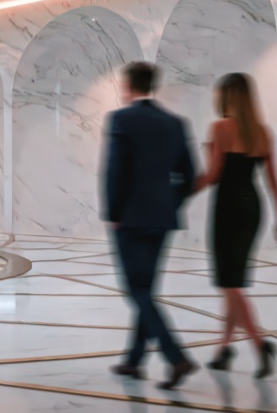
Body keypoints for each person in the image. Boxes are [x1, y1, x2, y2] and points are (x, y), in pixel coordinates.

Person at [102, 61, 198, 390]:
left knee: (137, 291)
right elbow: (189, 173)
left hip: (129, 218)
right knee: (146, 289)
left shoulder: (121, 118)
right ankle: (134, 360)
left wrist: (113, 213)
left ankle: (176, 357)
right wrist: (172, 203)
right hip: (161, 218)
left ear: (129, 86)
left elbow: (114, 171)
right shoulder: (174, 122)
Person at [194, 72, 277, 378]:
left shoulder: (220, 127)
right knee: (231, 283)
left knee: (232, 284)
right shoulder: (262, 132)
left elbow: (213, 175)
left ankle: (261, 345)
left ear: (227, 97)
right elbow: (273, 180)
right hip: (252, 207)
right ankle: (224, 349)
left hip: (227, 209)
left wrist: (181, 191)